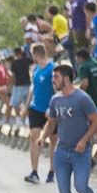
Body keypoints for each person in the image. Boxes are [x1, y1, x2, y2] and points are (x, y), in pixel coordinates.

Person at [41, 63, 97, 193]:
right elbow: (51, 122)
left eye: (56, 77)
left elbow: (96, 120)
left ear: (66, 78)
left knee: (80, 186)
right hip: (61, 151)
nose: (53, 80)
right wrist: (43, 137)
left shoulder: (82, 98)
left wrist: (84, 140)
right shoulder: (55, 99)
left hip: (80, 153)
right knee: (63, 189)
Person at [25, 43, 55, 184]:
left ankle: (52, 171)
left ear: (36, 54)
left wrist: (53, 107)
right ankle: (34, 171)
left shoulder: (52, 68)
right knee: (34, 138)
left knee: (53, 140)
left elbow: (57, 88)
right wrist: (26, 106)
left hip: (50, 109)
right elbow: (33, 88)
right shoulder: (36, 69)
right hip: (36, 108)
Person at [8, 46, 32, 127]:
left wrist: (12, 85)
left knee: (15, 103)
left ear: (15, 53)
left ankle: (18, 119)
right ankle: (27, 119)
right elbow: (32, 61)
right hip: (27, 84)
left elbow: (13, 75)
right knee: (27, 103)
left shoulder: (14, 63)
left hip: (18, 85)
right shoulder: (26, 60)